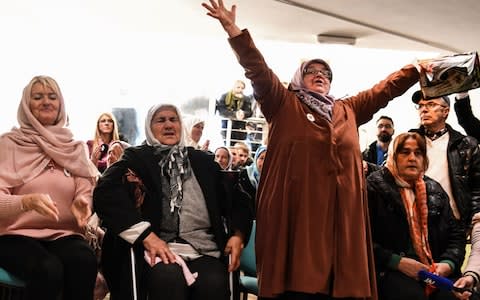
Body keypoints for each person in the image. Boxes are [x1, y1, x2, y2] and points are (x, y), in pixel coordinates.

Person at [202, 1, 423, 299]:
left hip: (340, 218)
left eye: (326, 73)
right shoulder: (282, 102)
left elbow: (382, 91)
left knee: (338, 286)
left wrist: (415, 70)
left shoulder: (347, 109)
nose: (320, 75)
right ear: (298, 77)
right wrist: (233, 30)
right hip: (297, 213)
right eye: (312, 71)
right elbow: (256, 68)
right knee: (298, 288)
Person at [93, 103, 252, 300]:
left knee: (214, 283)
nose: (168, 125)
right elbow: (105, 192)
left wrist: (238, 235)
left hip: (203, 248)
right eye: (160, 120)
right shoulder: (137, 158)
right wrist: (144, 235)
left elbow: (238, 198)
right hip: (155, 248)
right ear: (149, 128)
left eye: (173, 119)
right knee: (168, 279)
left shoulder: (202, 161)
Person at [0, 75, 99, 299]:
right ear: (26, 105)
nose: (46, 101)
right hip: (14, 235)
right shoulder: (8, 143)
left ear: (60, 104)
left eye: (52, 97)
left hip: (63, 233)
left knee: (84, 260)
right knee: (48, 269)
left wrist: (83, 202)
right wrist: (25, 202)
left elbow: (85, 188)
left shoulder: (75, 148)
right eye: (38, 97)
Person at [367, 132, 465, 300]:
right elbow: (360, 239)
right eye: (405, 152)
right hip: (388, 270)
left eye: (418, 153)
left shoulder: (435, 189)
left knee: (463, 295)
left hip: (434, 270)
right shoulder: (373, 187)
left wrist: (448, 264)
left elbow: (456, 235)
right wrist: (397, 262)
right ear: (392, 156)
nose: (412, 158)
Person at [410, 90, 480, 231]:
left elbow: (477, 186)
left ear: (445, 111)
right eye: (421, 106)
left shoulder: (466, 145)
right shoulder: (408, 142)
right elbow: (387, 172)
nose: (424, 109)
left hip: (454, 224)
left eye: (430, 104)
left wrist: (475, 215)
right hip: (416, 223)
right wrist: (365, 165)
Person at [216, 79, 253, 145]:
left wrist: (243, 114)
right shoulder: (225, 96)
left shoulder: (246, 99)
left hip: (240, 128)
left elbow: (249, 112)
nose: (240, 89)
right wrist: (234, 114)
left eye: (242, 88)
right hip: (227, 127)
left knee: (239, 147)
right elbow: (221, 110)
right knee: (228, 145)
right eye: (238, 87)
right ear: (233, 87)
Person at [238, 146, 267, 217]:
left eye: (267, 159)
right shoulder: (244, 174)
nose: (264, 162)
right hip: (245, 218)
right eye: (261, 158)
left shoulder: (274, 179)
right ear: (256, 158)